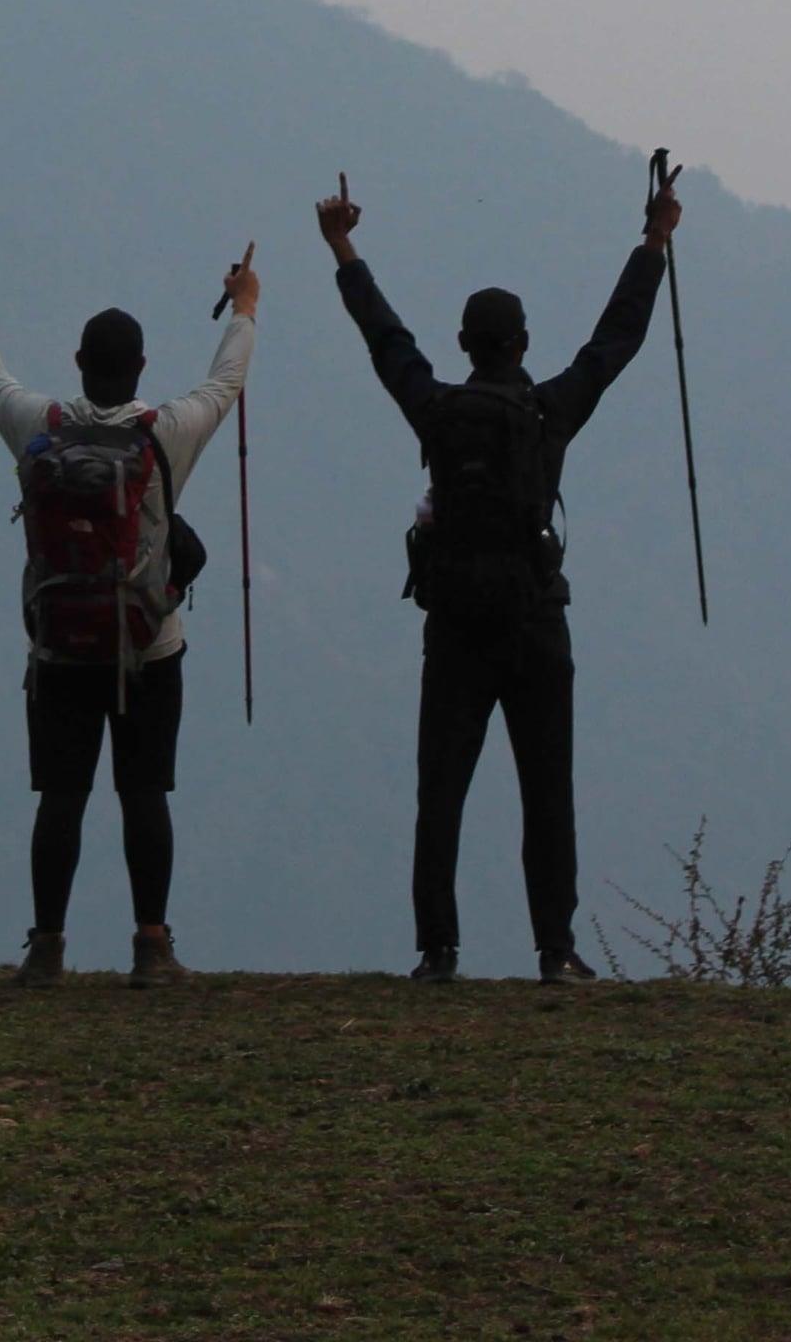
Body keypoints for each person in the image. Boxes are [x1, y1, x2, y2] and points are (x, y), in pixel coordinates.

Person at [317, 171, 678, 983]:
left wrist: (343, 246)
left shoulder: (436, 411)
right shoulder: (550, 414)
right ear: (521, 344)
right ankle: (556, 950)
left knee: (441, 788)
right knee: (546, 791)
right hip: (535, 621)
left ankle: (437, 950)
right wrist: (654, 241)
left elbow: (386, 341)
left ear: (464, 345)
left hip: (453, 624)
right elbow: (614, 342)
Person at [0, 250, 255, 987]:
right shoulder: (167, 431)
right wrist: (245, 305)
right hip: (150, 645)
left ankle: (46, 949)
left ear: (79, 361)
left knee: (62, 796)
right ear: (142, 368)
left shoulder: (38, 427)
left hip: (57, 648)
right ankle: (152, 948)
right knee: (144, 793)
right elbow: (227, 380)